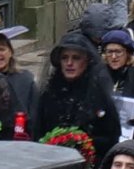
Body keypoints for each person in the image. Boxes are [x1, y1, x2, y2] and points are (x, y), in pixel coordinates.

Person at [33, 30, 123, 159]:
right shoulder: (49, 94)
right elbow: (37, 133)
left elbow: (111, 136)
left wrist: (83, 142)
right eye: (64, 58)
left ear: (86, 61)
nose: (69, 63)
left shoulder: (98, 94)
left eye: (76, 58)